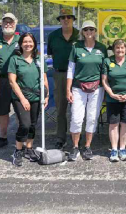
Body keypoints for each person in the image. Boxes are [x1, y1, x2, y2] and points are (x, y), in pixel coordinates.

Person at [66, 20, 107, 161]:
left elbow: (105, 71)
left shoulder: (102, 48)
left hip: (97, 88)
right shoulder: (76, 47)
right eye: (86, 30)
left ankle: (88, 146)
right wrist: (68, 89)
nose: (89, 32)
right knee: (77, 119)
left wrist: (106, 88)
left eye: (91, 29)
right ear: (82, 32)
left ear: (95, 31)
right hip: (78, 87)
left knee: (92, 118)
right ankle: (75, 147)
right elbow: (71, 69)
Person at [8, 33, 49, 166]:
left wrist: (46, 95)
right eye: (25, 42)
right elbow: (12, 82)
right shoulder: (15, 59)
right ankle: (18, 150)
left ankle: (29, 148)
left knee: (32, 124)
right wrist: (23, 99)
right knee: (24, 124)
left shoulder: (39, 60)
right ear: (20, 44)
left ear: (34, 44)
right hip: (20, 97)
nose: (28, 44)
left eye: (30, 42)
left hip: (36, 96)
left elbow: (44, 78)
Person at [102, 39, 126, 162]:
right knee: (113, 124)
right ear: (113, 49)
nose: (120, 50)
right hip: (113, 98)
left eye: (122, 48)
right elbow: (104, 80)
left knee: (125, 123)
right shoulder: (108, 61)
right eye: (117, 48)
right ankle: (114, 150)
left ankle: (122, 149)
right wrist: (111, 94)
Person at [47, 8, 79, 149]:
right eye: (63, 17)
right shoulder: (53, 36)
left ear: (73, 19)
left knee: (77, 108)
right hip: (60, 74)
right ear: (59, 20)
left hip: (78, 75)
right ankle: (61, 137)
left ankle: (77, 137)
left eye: (69, 17)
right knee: (61, 108)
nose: (66, 19)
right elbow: (52, 55)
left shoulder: (80, 35)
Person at [0, 13, 20, 150]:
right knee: (3, 111)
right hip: (1, 81)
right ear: (1, 24)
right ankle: (3, 137)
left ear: (15, 23)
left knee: (21, 111)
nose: (8, 24)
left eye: (11, 22)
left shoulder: (22, 39)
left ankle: (22, 139)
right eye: (5, 22)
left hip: (20, 81)